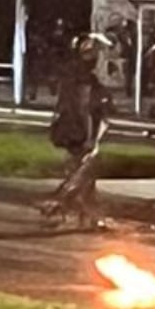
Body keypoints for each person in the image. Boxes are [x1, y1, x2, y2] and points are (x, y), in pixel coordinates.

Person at [43, 34, 112, 227]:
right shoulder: (84, 78)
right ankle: (62, 205)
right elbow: (86, 109)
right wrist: (92, 138)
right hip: (79, 131)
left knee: (83, 171)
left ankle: (84, 213)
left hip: (72, 129)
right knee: (84, 171)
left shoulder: (73, 74)